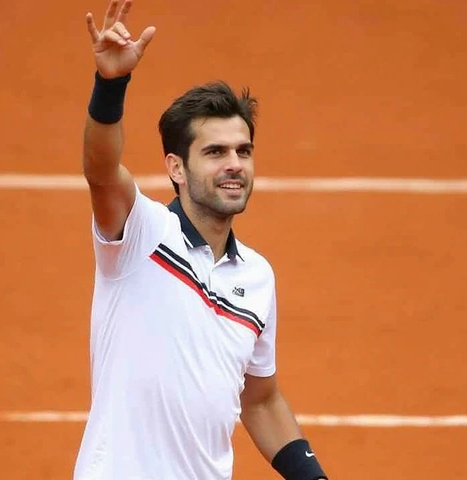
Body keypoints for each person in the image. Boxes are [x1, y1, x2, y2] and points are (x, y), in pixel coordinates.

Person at [74, 1, 329, 479]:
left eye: (243, 150)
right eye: (215, 152)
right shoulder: (141, 234)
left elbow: (261, 399)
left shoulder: (256, 276)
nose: (234, 164)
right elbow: (101, 171)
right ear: (176, 167)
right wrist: (110, 86)